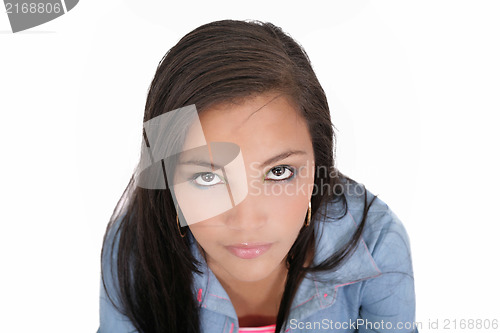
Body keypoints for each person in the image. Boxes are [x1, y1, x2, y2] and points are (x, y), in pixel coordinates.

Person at [98, 19, 417, 333]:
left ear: (319, 170)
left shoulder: (376, 243)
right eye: (208, 178)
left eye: (280, 172)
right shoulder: (134, 248)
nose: (247, 221)